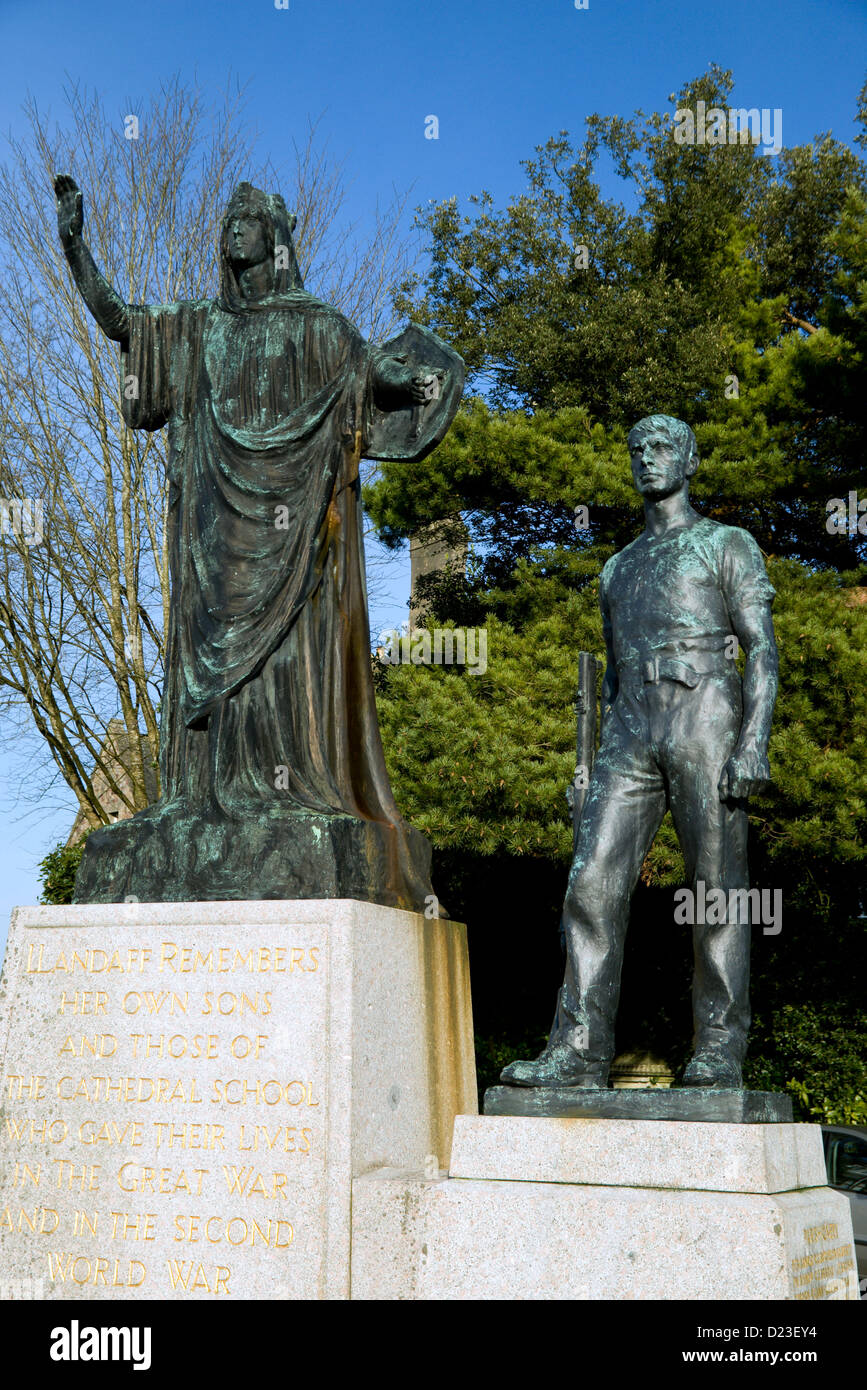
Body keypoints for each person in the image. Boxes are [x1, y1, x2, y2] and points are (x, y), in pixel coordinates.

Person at [54, 175, 462, 907]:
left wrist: (412, 383)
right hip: (212, 539)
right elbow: (123, 323)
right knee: (207, 679)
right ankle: (200, 799)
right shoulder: (198, 325)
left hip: (297, 534)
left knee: (282, 672)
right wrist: (77, 246)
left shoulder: (321, 328)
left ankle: (290, 791)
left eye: (248, 223)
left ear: (276, 241)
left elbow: (376, 378)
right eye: (228, 222)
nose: (233, 232)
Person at [502, 414, 778, 1090]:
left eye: (660, 448)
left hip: (704, 714)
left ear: (687, 461)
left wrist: (752, 743)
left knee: (716, 892)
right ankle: (578, 1048)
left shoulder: (725, 543)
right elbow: (614, 675)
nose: (646, 459)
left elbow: (762, 649)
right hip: (629, 728)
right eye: (636, 450)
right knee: (589, 884)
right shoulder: (617, 567)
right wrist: (592, 769)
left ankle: (717, 1048)